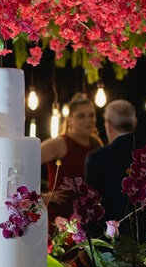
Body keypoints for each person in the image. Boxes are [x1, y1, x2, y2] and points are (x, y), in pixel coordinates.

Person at [84, 98, 146, 237]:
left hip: (113, 240)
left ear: (108, 125)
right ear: (134, 123)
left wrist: (90, 241)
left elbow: (91, 205)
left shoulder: (97, 157)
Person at [40, 92, 104, 225]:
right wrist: (41, 197)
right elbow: (23, 162)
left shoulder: (96, 144)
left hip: (89, 220)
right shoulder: (60, 143)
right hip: (61, 219)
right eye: (81, 116)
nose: (88, 120)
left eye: (91, 115)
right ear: (69, 119)